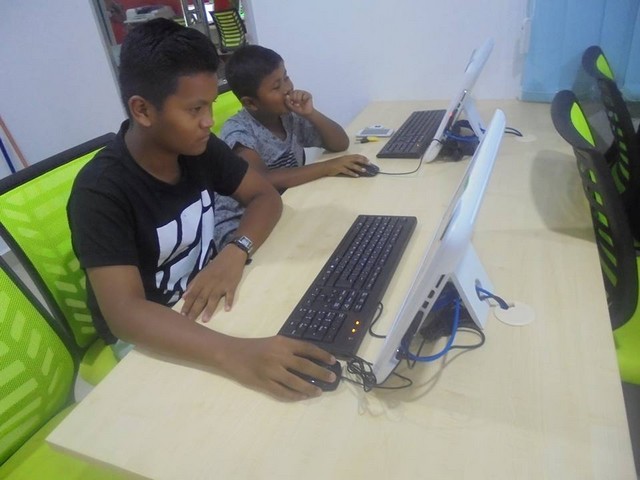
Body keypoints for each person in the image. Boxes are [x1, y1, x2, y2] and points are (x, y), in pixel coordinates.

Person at [67, 19, 338, 401]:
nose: (209, 121)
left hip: (210, 300)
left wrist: (236, 250)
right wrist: (236, 353)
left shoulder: (198, 147)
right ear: (142, 110)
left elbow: (265, 197)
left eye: (210, 105)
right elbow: (125, 314)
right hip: (148, 336)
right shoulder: (100, 191)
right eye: (195, 109)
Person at [214, 44, 370, 249]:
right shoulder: (238, 131)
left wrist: (310, 113)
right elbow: (262, 180)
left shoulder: (288, 117)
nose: (287, 88)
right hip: (241, 230)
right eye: (276, 87)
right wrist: (326, 167)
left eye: (286, 77)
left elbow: (340, 143)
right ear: (251, 103)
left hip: (283, 210)